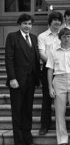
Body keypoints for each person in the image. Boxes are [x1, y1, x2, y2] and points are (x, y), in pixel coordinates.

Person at [5, 13, 41, 145]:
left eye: (30, 24)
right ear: (19, 24)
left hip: (31, 80)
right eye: (25, 23)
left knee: (28, 109)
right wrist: (12, 78)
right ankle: (19, 140)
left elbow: (36, 59)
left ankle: (27, 135)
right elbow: (9, 59)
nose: (27, 26)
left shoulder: (34, 38)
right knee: (17, 110)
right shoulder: (12, 37)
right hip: (17, 81)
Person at [38, 11, 63, 135]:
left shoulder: (63, 35)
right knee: (47, 99)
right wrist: (52, 63)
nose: (57, 22)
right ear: (50, 21)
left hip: (62, 71)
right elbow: (42, 54)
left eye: (59, 20)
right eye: (55, 20)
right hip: (47, 70)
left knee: (62, 99)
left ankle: (61, 126)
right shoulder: (42, 36)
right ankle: (44, 126)